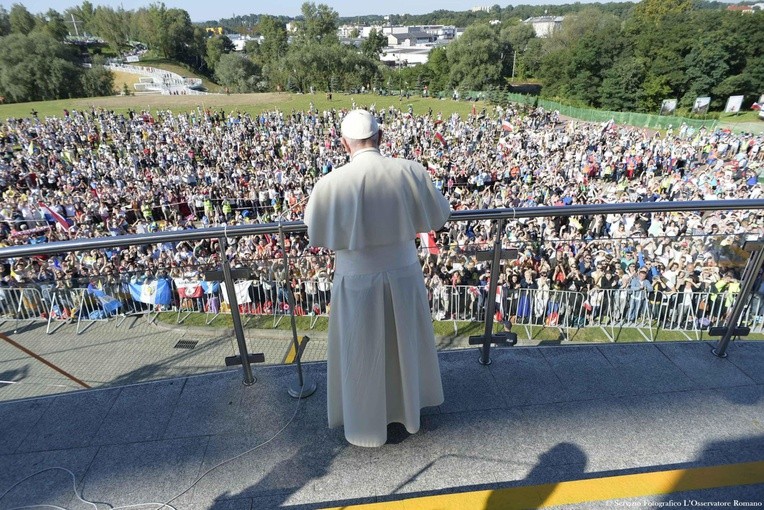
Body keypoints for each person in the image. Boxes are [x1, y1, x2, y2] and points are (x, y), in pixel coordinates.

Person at [304, 109, 451, 447]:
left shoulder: (330, 183)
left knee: (362, 350)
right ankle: (408, 411)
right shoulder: (410, 171)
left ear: (344, 143)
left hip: (355, 280)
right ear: (380, 138)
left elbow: (315, 232)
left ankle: (365, 422)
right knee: (404, 343)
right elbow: (439, 215)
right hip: (403, 273)